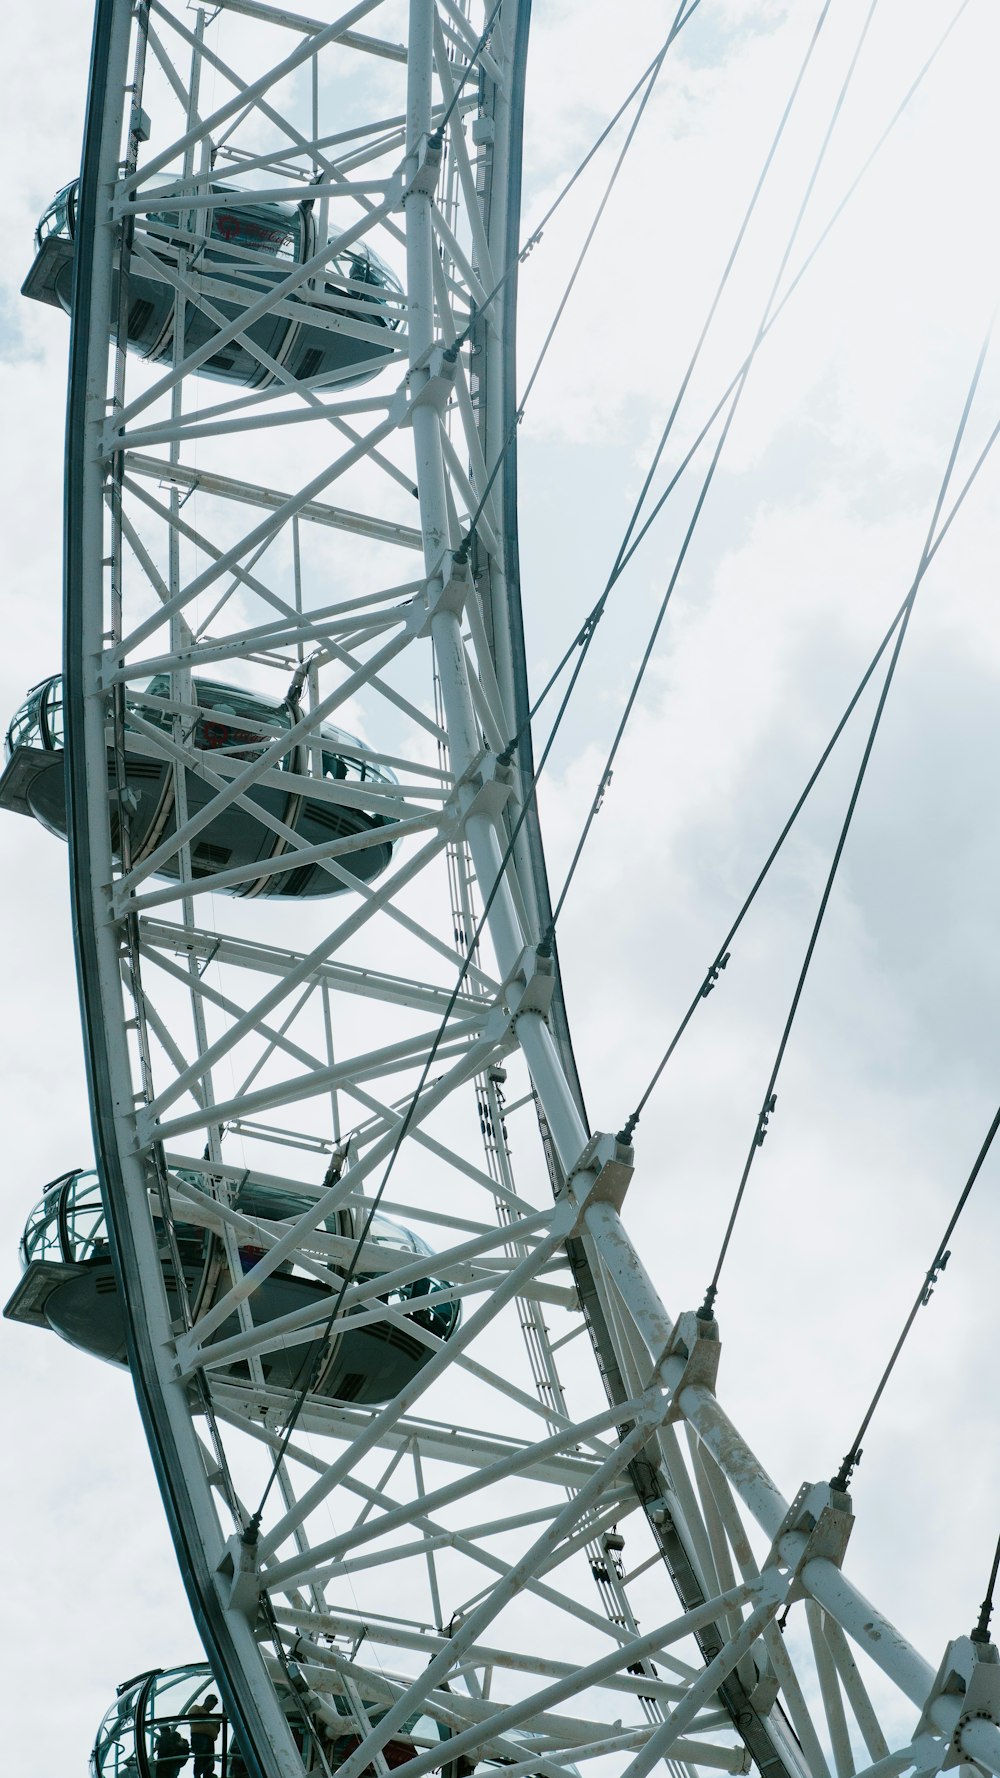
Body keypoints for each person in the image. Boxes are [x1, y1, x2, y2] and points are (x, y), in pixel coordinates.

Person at [188, 1696, 222, 1778]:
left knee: (209, 1759)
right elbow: (191, 1716)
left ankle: (208, 1775)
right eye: (211, 1704)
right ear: (206, 1701)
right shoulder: (197, 1708)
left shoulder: (212, 1717)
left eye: (213, 1706)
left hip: (210, 1739)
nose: (212, 1707)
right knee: (200, 1757)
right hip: (199, 1737)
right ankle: (198, 1775)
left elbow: (217, 1729)